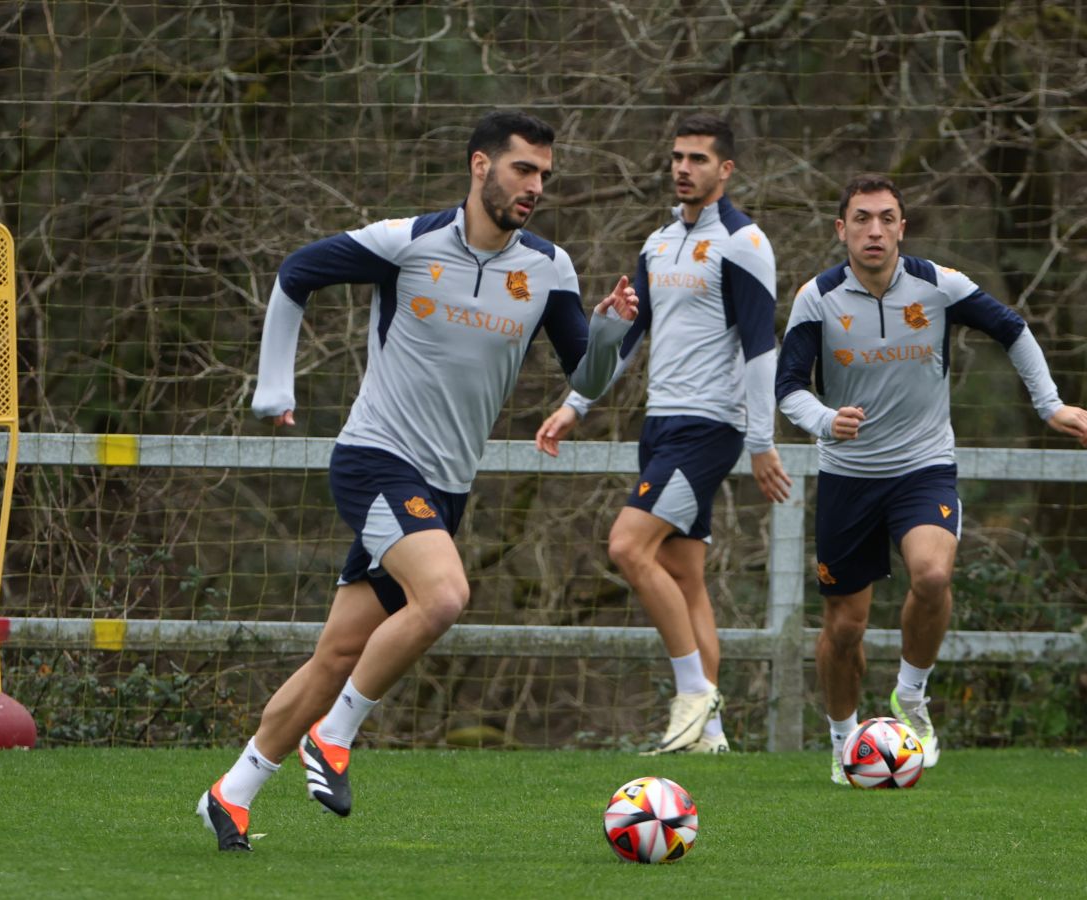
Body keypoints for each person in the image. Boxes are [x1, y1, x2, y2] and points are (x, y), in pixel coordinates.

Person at [197, 110, 639, 851]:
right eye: (522, 169)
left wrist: (610, 333)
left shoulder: (549, 267)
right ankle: (333, 738)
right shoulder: (405, 242)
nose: (534, 186)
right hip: (375, 459)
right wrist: (274, 386)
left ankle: (231, 792)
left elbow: (587, 379)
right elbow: (296, 274)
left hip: (445, 490)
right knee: (445, 595)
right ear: (480, 166)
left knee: (338, 653)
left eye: (544, 175)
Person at [775, 174, 1087, 784]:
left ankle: (910, 698)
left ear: (903, 226)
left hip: (923, 465)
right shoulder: (816, 298)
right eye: (862, 219)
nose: (875, 230)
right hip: (849, 476)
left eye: (887, 218)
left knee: (934, 572)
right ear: (841, 229)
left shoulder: (940, 285)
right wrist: (824, 420)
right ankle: (845, 745)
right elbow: (788, 386)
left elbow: (1014, 329)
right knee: (845, 628)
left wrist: (1049, 405)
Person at [534, 114, 790, 755]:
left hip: (709, 429)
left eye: (699, 159)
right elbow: (629, 339)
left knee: (626, 546)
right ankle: (711, 735)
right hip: (661, 425)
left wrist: (761, 441)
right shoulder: (656, 243)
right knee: (684, 579)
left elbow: (763, 349)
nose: (683, 168)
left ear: (725, 170)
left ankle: (692, 695)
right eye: (677, 156)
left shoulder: (745, 243)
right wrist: (576, 404)